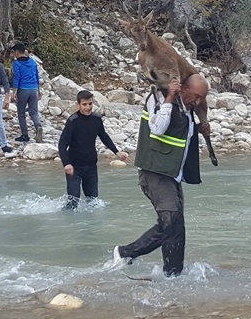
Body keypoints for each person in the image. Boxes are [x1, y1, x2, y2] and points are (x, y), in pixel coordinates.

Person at [111, 74, 209, 277]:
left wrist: (200, 129)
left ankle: (173, 273)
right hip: (154, 172)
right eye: (196, 96)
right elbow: (157, 128)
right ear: (183, 88)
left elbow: (180, 133)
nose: (198, 102)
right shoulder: (158, 98)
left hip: (172, 174)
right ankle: (125, 253)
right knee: (171, 220)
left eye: (202, 99)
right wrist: (170, 98)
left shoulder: (186, 108)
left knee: (176, 224)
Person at [58, 90, 129, 210]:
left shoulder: (96, 119)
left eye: (90, 104)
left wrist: (116, 151)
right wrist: (67, 163)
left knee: (93, 201)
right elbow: (62, 144)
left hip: (91, 166)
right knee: (73, 202)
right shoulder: (73, 121)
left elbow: (103, 136)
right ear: (78, 105)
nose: (88, 107)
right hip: (74, 167)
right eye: (84, 104)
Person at [11, 43, 43, 143]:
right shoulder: (33, 62)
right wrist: (38, 90)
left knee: (21, 113)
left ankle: (25, 135)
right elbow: (37, 77)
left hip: (23, 90)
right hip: (33, 89)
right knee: (34, 112)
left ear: (16, 53)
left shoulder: (17, 64)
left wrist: (14, 92)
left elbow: (17, 78)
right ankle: (38, 126)